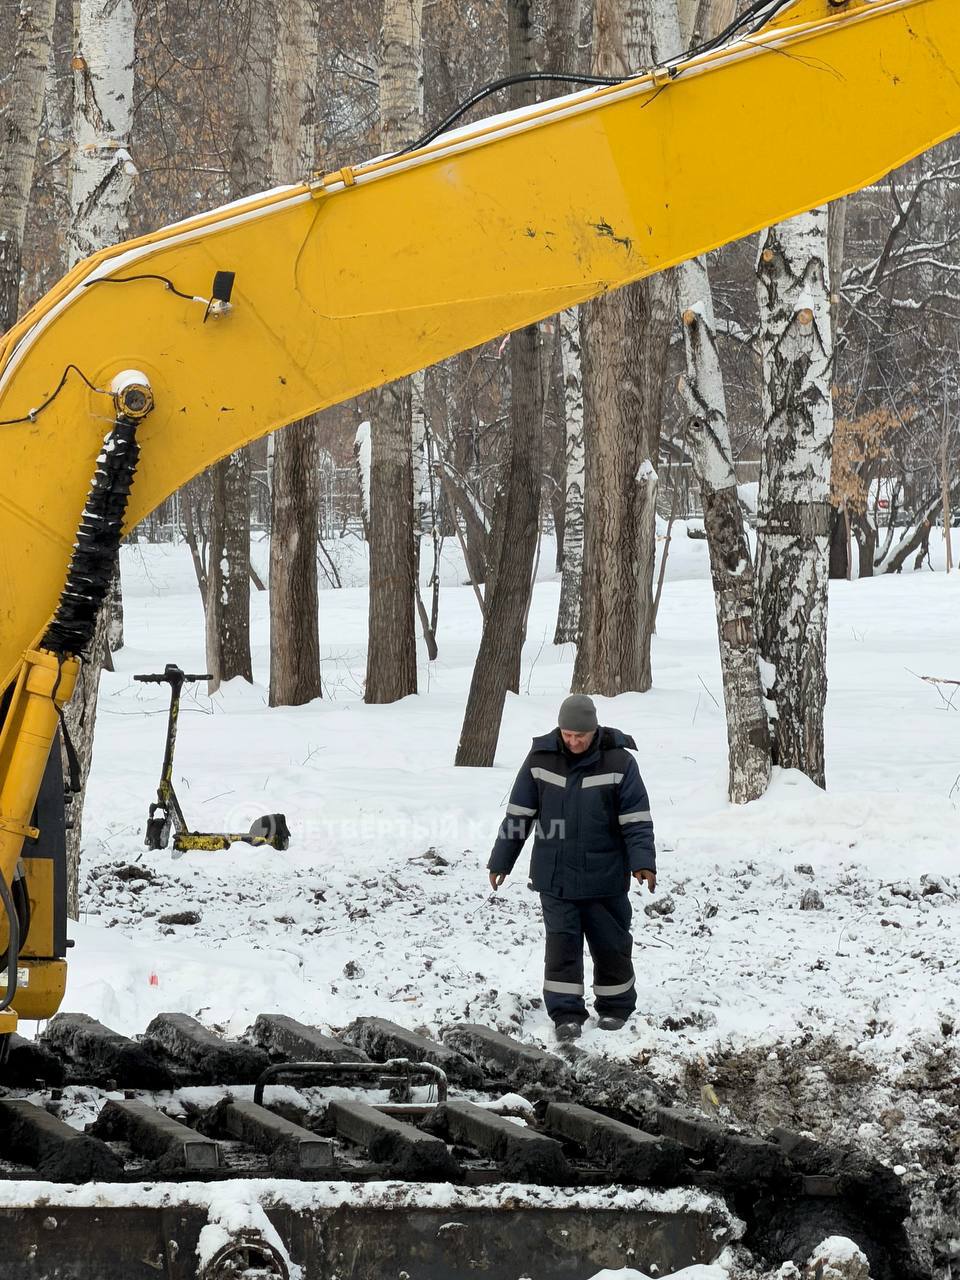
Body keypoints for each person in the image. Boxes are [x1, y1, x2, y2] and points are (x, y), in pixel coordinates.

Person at [487, 694, 656, 1042]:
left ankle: (615, 1008)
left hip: (605, 876)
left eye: (580, 735)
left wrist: (642, 862)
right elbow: (519, 815)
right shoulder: (540, 759)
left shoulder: (620, 762)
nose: (574, 741)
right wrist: (502, 860)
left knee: (611, 944)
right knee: (561, 947)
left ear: (594, 730)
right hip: (555, 876)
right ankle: (565, 1014)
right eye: (567, 734)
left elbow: (636, 819)